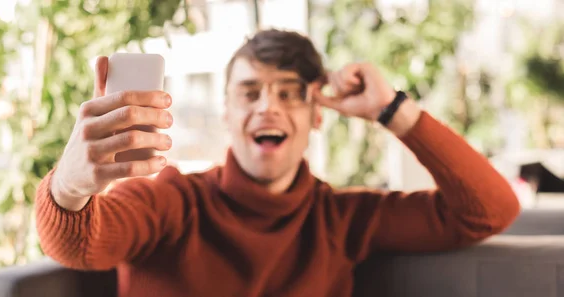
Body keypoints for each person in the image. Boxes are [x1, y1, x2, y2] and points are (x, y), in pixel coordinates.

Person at [35, 29, 521, 297]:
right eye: (250, 92)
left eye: (288, 94)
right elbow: (80, 247)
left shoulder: (342, 218)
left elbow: (489, 210)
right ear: (227, 111)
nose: (267, 107)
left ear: (316, 117)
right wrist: (71, 187)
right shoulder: (172, 200)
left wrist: (393, 110)